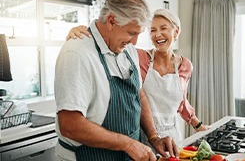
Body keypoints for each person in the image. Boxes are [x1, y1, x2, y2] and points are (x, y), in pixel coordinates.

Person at [55, 0, 178, 161]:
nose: (134, 42)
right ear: (112, 21)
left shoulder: (127, 49)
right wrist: (127, 144)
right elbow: (70, 125)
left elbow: (138, 93)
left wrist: (153, 138)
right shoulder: (77, 53)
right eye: (131, 33)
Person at [66, 8, 208, 147]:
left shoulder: (185, 66)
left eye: (163, 28)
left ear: (176, 32)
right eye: (153, 30)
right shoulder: (138, 57)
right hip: (142, 138)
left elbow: (181, 101)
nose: (158, 34)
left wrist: (199, 126)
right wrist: (83, 32)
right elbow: (109, 45)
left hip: (173, 138)